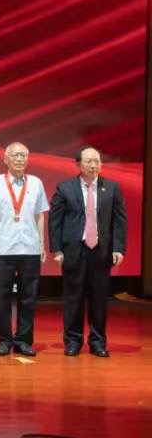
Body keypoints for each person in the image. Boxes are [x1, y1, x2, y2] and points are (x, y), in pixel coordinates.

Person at [49, 146, 127, 357]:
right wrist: (56, 249)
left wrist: (118, 248)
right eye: (89, 161)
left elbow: (120, 220)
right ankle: (73, 341)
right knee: (73, 298)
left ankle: (98, 342)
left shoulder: (111, 188)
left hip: (101, 252)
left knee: (99, 299)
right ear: (79, 164)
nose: (94, 165)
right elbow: (55, 221)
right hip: (74, 251)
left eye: (97, 161)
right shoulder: (65, 188)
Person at [0, 142, 48, 357]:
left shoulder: (36, 183)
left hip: (30, 248)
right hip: (4, 248)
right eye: (15, 155)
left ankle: (23, 340)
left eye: (23, 156)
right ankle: (3, 339)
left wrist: (41, 243)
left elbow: (40, 215)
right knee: (2, 297)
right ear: (5, 159)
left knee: (29, 297)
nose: (19, 159)